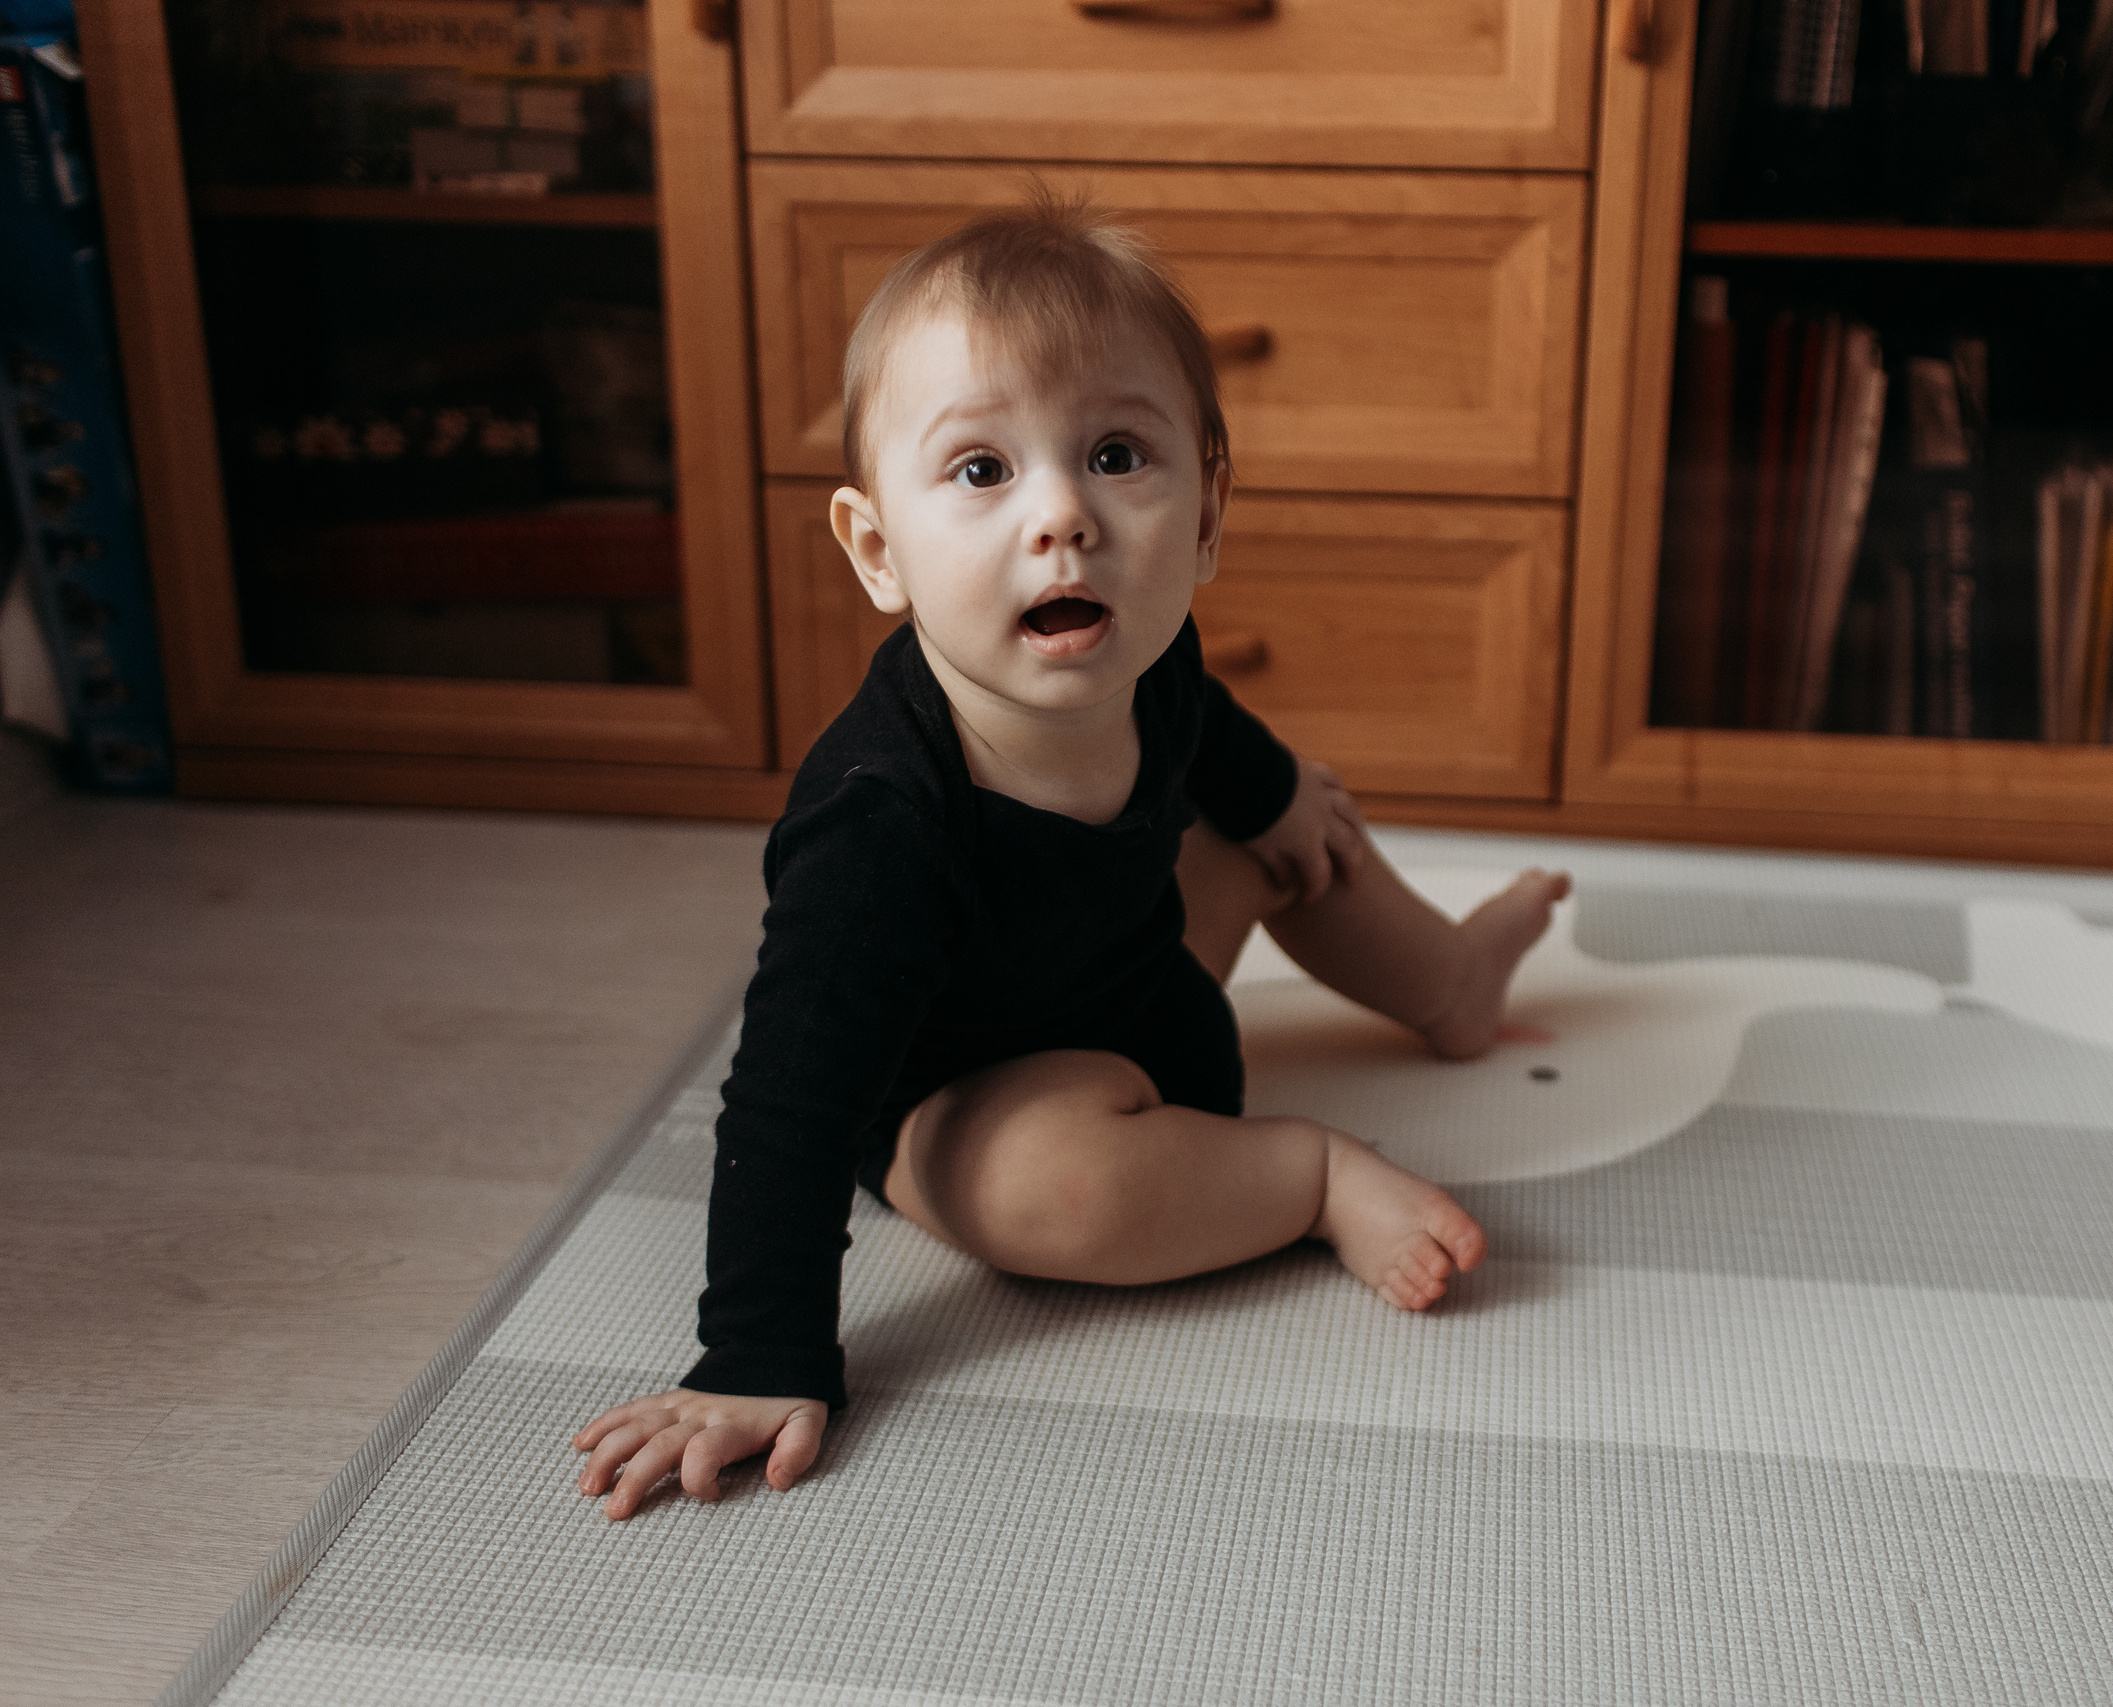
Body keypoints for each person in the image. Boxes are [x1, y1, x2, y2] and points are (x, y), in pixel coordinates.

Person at [571, 191, 1570, 1521]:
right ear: (879, 551)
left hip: (1141, 985)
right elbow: (788, 1099)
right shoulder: (881, 821)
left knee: (1296, 823)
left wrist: (1278, 802)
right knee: (1063, 1190)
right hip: (962, 1105)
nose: (1062, 516)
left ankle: (1448, 983)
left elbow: (1214, 736)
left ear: (1206, 515)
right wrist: (760, 1353)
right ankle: (1313, 1177)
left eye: (1114, 455)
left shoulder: (1149, 658)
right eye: (982, 471)